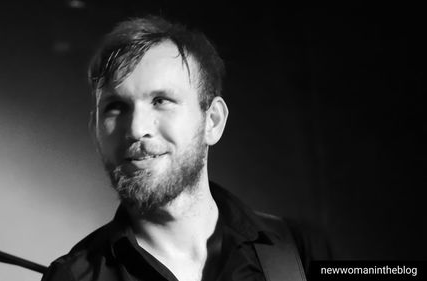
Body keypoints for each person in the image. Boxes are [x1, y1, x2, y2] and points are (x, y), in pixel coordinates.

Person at [41, 15, 330, 281]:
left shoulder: (300, 250)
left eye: (161, 100)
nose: (136, 129)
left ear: (212, 121)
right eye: (116, 107)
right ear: (95, 132)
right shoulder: (71, 277)